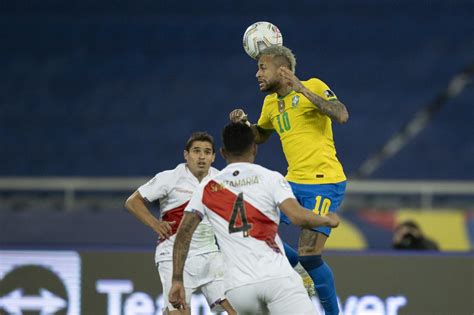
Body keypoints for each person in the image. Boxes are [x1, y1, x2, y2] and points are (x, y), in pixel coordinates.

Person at [168, 122, 340, 315]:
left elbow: (183, 234)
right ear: (254, 148)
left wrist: (176, 280)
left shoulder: (207, 187)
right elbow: (297, 216)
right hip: (277, 279)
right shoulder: (270, 178)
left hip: (239, 289)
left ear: (223, 153)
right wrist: (326, 220)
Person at [229, 45, 349, 315]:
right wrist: (246, 125)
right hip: (291, 182)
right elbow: (261, 135)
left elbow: (341, 114)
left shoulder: (313, 85)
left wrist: (302, 89)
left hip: (324, 181)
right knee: (252, 225)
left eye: (262, 67)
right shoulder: (271, 103)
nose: (257, 74)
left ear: (282, 70)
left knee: (309, 254)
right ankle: (299, 270)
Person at [125, 132, 235, 315]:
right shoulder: (169, 178)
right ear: (186, 154)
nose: (201, 156)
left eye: (207, 152)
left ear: (214, 157)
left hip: (210, 255)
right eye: (196, 151)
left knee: (236, 309)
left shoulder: (221, 180)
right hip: (172, 257)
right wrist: (155, 224)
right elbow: (132, 202)